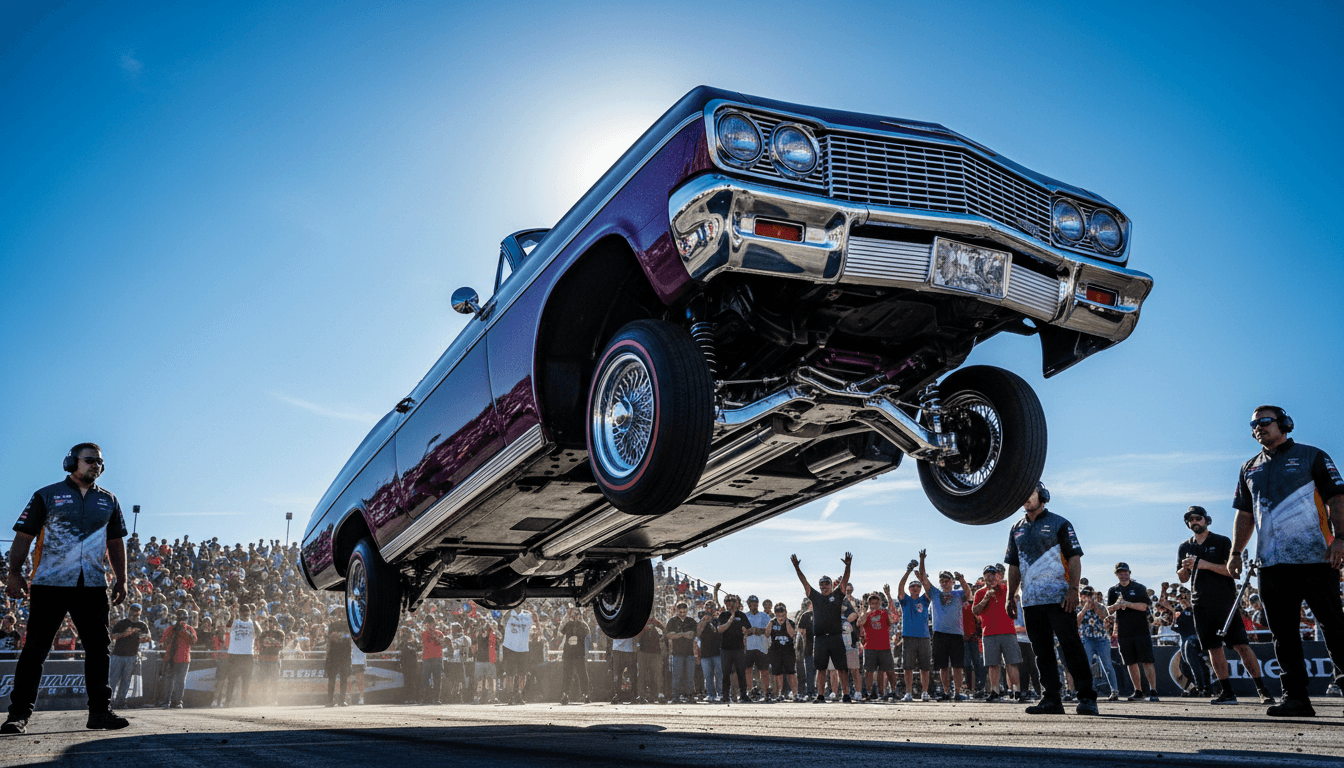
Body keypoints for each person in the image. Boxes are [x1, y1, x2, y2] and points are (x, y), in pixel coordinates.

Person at [3, 443, 130, 735]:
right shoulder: (46, 495)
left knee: (99, 649)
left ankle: (100, 713)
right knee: (35, 650)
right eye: (90, 460)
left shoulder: (109, 500)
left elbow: (115, 543)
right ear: (71, 463)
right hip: (50, 583)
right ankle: (17, 715)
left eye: (100, 462)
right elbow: (24, 536)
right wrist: (14, 573)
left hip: (93, 585)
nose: (96, 465)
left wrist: (121, 579)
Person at [1229, 405, 1344, 717]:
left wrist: (1341, 539)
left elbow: (1337, 498)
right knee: (1282, 633)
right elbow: (1245, 514)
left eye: (1265, 421)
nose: (1258, 428)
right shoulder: (1249, 468)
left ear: (1284, 424)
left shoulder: (1312, 456)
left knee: (1334, 626)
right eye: (1253, 424)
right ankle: (1295, 698)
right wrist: (1235, 553)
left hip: (1316, 557)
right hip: (1271, 564)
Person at [1005, 482, 1098, 715]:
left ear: (1043, 496)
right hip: (1031, 601)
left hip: (1060, 598)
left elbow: (1074, 558)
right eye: (1023, 493)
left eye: (1031, 492)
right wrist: (1010, 596)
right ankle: (1051, 699)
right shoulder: (1016, 528)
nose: (1026, 497)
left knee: (1071, 647)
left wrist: (1073, 590)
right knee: (1042, 652)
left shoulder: (1060, 523)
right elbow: (1013, 565)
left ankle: (1087, 698)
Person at [1176, 505, 1275, 705]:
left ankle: (1262, 689)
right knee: (1213, 649)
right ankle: (1227, 692)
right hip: (1200, 604)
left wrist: (1203, 564)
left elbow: (1233, 572)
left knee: (1241, 645)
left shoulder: (1221, 541)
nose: (1194, 522)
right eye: (1190, 519)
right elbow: (1183, 578)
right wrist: (1185, 569)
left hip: (1224, 602)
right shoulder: (1184, 547)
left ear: (1206, 520)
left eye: (1198, 518)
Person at [789, 551, 854, 704]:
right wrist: (797, 568)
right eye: (822, 584)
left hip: (836, 637)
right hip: (820, 639)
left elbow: (845, 581)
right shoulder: (816, 597)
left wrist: (848, 566)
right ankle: (820, 696)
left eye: (826, 584)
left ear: (831, 585)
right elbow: (804, 583)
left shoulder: (837, 595)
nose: (824, 586)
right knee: (821, 668)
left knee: (842, 668)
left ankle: (846, 695)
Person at [917, 551, 973, 701]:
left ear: (952, 582)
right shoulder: (935, 593)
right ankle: (947, 692)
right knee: (943, 666)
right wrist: (922, 560)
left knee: (957, 666)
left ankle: (957, 692)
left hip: (956, 634)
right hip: (940, 634)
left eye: (947, 581)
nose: (944, 583)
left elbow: (968, 594)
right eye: (942, 581)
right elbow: (923, 579)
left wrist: (962, 580)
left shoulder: (958, 594)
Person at [1106, 563, 1158, 701]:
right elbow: (1108, 610)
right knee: (1130, 662)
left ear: (1129, 573)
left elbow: (1144, 606)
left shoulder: (1139, 587)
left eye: (1125, 572)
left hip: (1141, 630)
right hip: (1124, 631)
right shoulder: (1113, 590)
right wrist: (1116, 606)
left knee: (1147, 661)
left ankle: (1153, 691)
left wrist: (1127, 604)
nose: (1123, 575)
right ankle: (1138, 691)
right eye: (1120, 573)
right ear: (1116, 574)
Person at [973, 564, 1021, 702]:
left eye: (993, 575)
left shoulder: (1006, 589)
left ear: (998, 576)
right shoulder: (980, 593)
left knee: (1012, 663)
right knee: (993, 664)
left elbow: (1017, 587)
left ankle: (1017, 691)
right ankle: (995, 691)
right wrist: (986, 597)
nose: (991, 578)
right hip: (989, 632)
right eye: (988, 575)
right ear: (984, 578)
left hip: (1008, 631)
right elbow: (975, 611)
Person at [896, 558, 932, 701]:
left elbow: (929, 589)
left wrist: (922, 579)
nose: (915, 588)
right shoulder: (905, 600)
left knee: (925, 667)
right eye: (913, 587)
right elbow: (900, 587)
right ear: (909, 589)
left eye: (917, 586)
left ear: (920, 588)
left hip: (924, 637)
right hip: (909, 637)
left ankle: (925, 692)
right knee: (908, 667)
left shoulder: (924, 600)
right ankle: (908, 693)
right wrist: (908, 572)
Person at [1076, 587, 1119, 701]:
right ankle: (1086, 690)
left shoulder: (1101, 607)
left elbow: (1105, 619)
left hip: (1102, 639)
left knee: (1107, 665)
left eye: (1090, 595)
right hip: (1087, 639)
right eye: (1086, 596)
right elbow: (1077, 622)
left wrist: (1095, 606)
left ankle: (1114, 691)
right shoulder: (1079, 608)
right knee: (1086, 665)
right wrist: (1085, 608)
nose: (1088, 598)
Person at [858, 590, 898, 702]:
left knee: (888, 670)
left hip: (884, 647)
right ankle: (868, 692)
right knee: (869, 671)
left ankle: (892, 691)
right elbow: (859, 623)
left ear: (879, 603)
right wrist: (867, 610)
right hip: (870, 647)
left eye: (876, 602)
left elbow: (894, 619)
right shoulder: (866, 614)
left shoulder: (884, 613)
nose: (874, 605)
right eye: (872, 603)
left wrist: (889, 597)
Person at [109, 603, 150, 709]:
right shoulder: (122, 623)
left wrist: (140, 637)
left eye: (137, 611)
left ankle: (120, 702)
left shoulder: (142, 625)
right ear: (130, 611)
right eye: (134, 611)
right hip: (118, 655)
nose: (135, 613)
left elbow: (148, 637)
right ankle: (108, 701)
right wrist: (125, 634)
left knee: (126, 680)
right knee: (113, 679)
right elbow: (112, 636)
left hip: (132, 656)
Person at [717, 595, 751, 702]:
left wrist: (746, 631)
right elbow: (720, 629)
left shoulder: (742, 615)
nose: (730, 604)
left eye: (733, 602)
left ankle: (743, 695)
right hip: (725, 649)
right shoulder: (723, 615)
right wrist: (731, 619)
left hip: (739, 648)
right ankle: (725, 696)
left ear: (737, 603)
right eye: (728, 602)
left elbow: (749, 629)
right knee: (726, 673)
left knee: (741, 672)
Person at [501, 606, 538, 704]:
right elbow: (503, 619)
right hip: (511, 648)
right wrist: (511, 608)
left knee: (523, 674)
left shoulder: (527, 615)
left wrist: (533, 612)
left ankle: (519, 694)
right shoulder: (509, 615)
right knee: (510, 674)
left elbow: (535, 622)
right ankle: (511, 695)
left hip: (523, 648)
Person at [160, 610, 196, 708]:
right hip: (171, 657)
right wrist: (166, 641)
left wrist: (184, 630)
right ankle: (166, 701)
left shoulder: (189, 629)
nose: (182, 620)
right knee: (169, 680)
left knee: (180, 681)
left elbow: (193, 640)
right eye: (180, 618)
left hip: (183, 658)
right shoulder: (171, 628)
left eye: (184, 619)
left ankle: (178, 701)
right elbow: (162, 641)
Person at [665, 602, 698, 703]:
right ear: (677, 611)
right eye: (680, 612)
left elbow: (692, 634)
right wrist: (684, 634)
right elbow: (670, 635)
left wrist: (678, 634)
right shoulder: (672, 621)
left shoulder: (691, 621)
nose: (682, 614)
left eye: (684, 612)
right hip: (677, 653)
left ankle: (689, 696)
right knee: (676, 676)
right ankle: (675, 696)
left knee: (690, 676)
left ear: (687, 611)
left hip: (690, 653)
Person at [767, 603, 799, 702]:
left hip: (788, 652)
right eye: (778, 614)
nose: (780, 617)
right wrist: (770, 622)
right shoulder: (772, 623)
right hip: (775, 652)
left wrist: (786, 621)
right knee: (777, 674)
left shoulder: (790, 622)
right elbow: (766, 634)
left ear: (785, 613)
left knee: (791, 673)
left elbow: (792, 634)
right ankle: (779, 694)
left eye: (782, 614)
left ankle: (795, 694)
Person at [559, 606, 590, 705]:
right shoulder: (568, 624)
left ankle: (585, 694)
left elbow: (588, 631)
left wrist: (582, 619)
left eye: (577, 614)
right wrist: (566, 616)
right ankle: (565, 694)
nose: (575, 616)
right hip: (568, 653)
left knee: (582, 674)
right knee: (567, 675)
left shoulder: (582, 625)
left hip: (579, 654)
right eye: (574, 614)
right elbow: (560, 631)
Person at [743, 596, 772, 700]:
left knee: (764, 670)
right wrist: (749, 631)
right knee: (748, 669)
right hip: (748, 647)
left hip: (762, 647)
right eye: (751, 604)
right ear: (748, 605)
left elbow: (769, 630)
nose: (753, 606)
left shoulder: (764, 616)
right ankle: (749, 691)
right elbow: (742, 631)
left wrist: (759, 630)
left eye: (755, 603)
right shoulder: (745, 616)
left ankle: (766, 693)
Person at [696, 599, 723, 703]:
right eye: (707, 606)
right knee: (708, 676)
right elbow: (698, 631)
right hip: (705, 651)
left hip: (717, 650)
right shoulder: (701, 615)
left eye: (712, 607)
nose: (709, 608)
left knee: (719, 675)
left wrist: (716, 617)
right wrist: (705, 620)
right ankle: (710, 694)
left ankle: (721, 694)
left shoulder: (718, 618)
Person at [257, 617, 286, 706]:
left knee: (274, 681)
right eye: (269, 622)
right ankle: (263, 700)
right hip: (264, 659)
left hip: (274, 659)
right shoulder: (263, 634)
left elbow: (281, 647)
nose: (271, 624)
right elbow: (260, 646)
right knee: (263, 681)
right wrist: (267, 642)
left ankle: (273, 700)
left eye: (273, 622)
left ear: (276, 623)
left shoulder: (280, 633)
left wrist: (273, 641)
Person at [420, 615, 445, 704]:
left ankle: (436, 699)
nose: (430, 625)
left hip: (437, 658)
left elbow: (442, 643)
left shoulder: (440, 633)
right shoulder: (424, 634)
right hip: (427, 658)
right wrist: (433, 635)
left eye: (431, 624)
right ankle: (426, 698)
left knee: (437, 680)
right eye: (428, 624)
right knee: (425, 679)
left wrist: (436, 636)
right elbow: (426, 640)